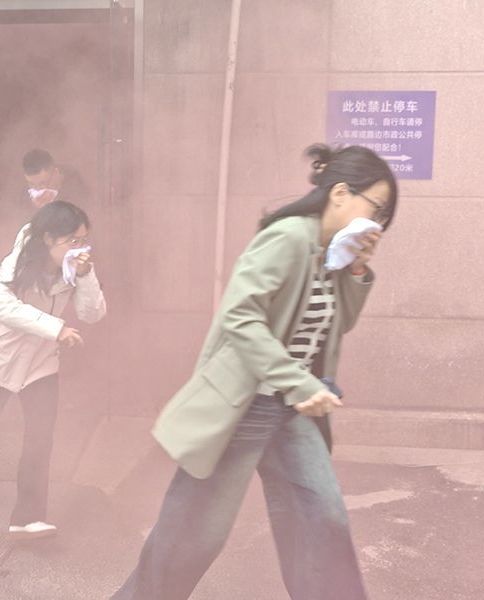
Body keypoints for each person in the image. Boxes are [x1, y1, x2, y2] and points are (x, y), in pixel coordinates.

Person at [109, 144, 397, 600]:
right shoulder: (288, 238)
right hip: (246, 405)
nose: (379, 223)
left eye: (384, 216)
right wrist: (298, 382)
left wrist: (357, 268)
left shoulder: (332, 251)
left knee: (324, 518)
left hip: (292, 409)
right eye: (377, 208)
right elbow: (240, 316)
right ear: (340, 193)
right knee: (193, 534)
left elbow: (338, 325)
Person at [0, 200, 106, 540]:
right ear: (48, 239)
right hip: (0, 357)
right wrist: (56, 329)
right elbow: (2, 308)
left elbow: (93, 314)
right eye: (72, 241)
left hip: (40, 363)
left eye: (84, 240)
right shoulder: (17, 262)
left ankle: (27, 518)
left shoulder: (73, 270)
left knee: (40, 438)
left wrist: (86, 276)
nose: (80, 248)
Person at [21, 148, 91, 211]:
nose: (38, 190)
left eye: (43, 184)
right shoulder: (27, 193)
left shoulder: (75, 185)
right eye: (32, 184)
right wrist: (35, 208)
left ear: (56, 173)